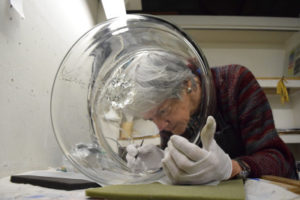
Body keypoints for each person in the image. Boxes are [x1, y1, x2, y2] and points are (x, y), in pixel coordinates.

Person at [125, 51, 298, 185]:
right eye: (151, 119)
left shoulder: (235, 83)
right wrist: (161, 166)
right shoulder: (170, 122)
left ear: (187, 85)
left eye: (163, 111)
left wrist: (232, 168)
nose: (160, 127)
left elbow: (278, 159)